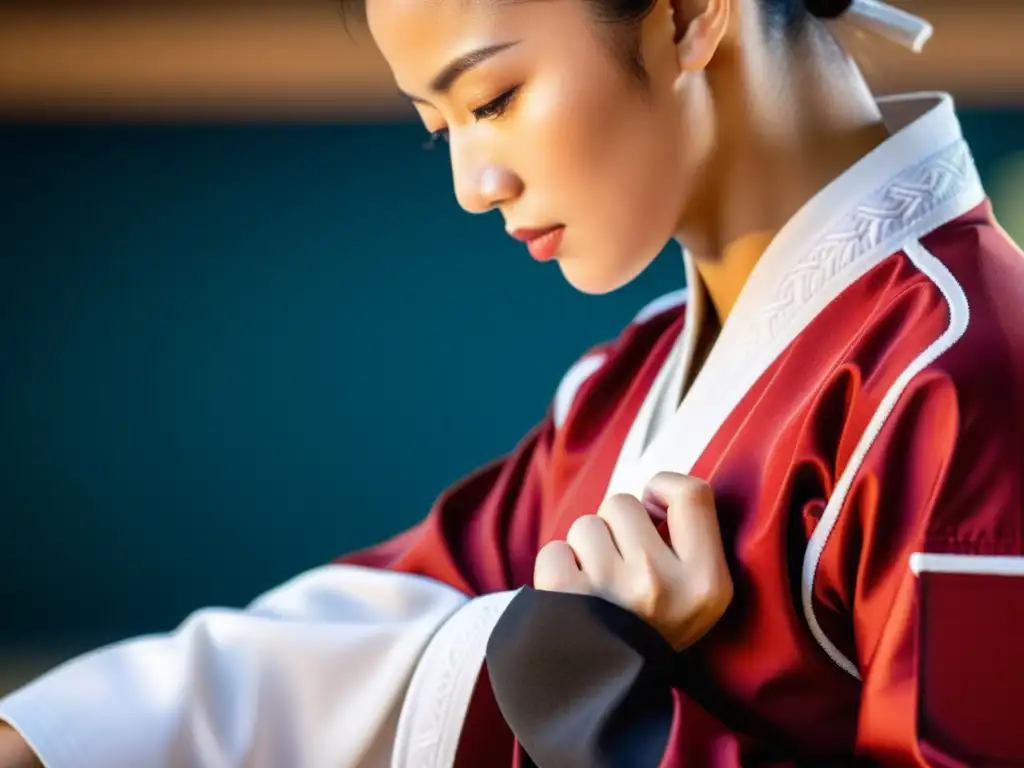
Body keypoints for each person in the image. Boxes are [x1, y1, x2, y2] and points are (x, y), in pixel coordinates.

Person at [2, 0, 1024, 764]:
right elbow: (367, 632)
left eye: (494, 98)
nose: (472, 183)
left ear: (688, 16)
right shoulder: (621, 388)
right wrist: (40, 739)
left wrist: (613, 716)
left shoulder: (960, 382)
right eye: (442, 127)